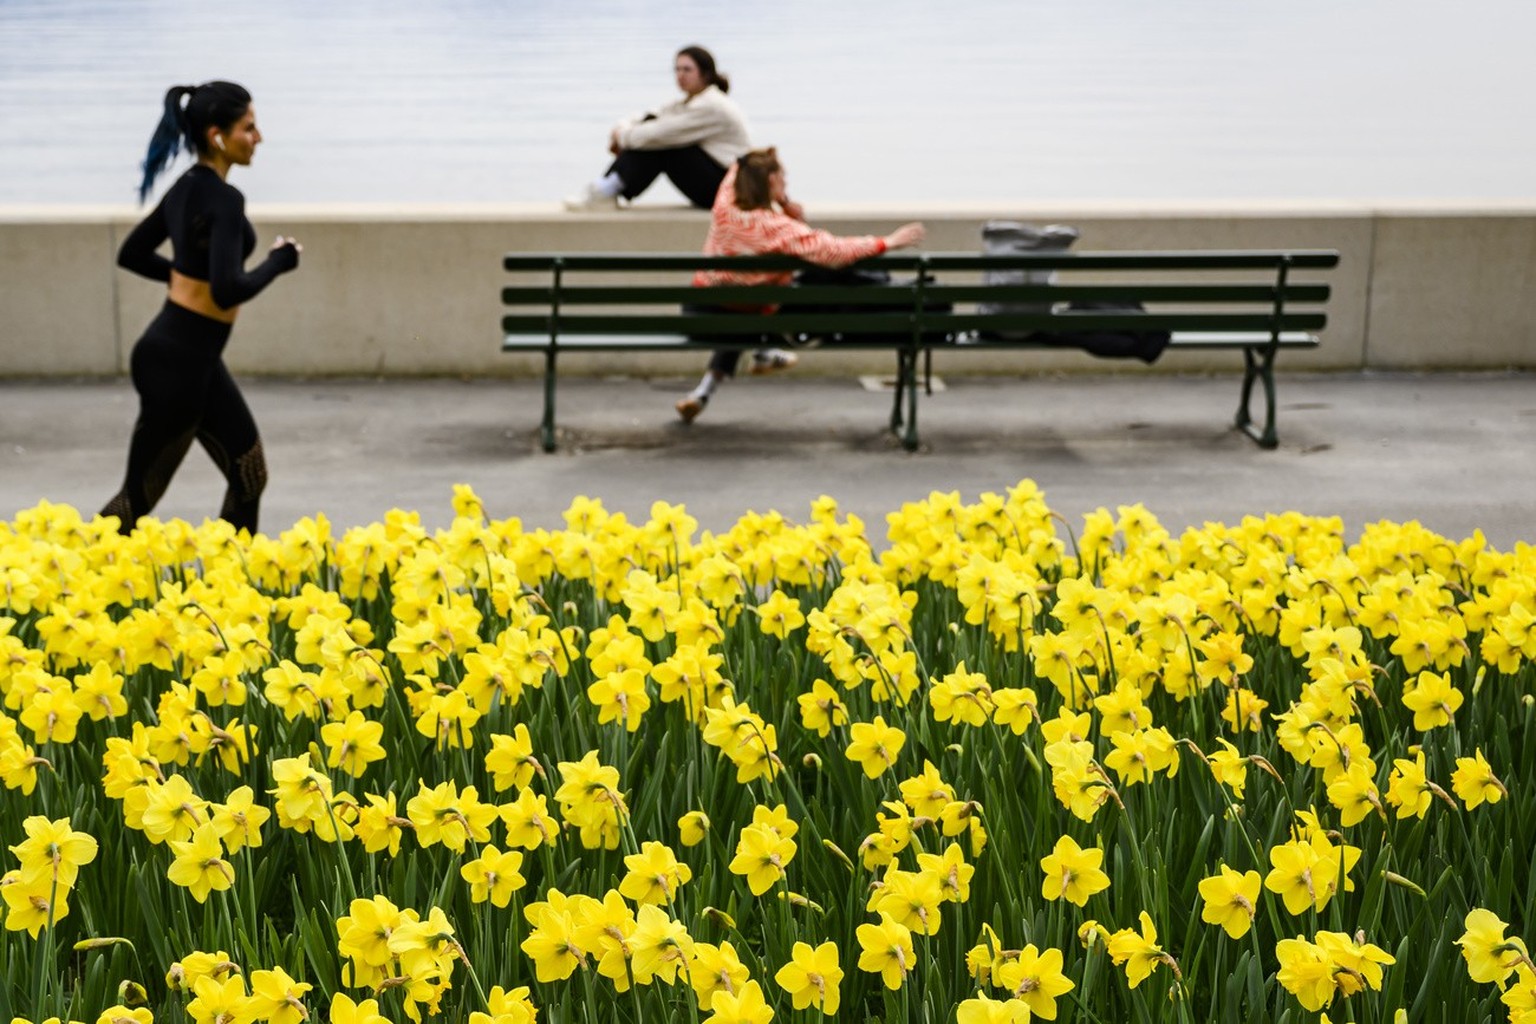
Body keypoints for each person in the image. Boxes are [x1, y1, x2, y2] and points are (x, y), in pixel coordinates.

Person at [100, 81, 301, 536]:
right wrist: (279, 261)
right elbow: (228, 290)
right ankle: (64, 581)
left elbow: (132, 253)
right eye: (249, 128)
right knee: (137, 498)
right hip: (178, 362)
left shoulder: (186, 187)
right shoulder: (225, 200)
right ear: (217, 135)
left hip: (190, 358)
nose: (258, 138)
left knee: (250, 474)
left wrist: (182, 278)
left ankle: (232, 587)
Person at [676, 147, 924, 422]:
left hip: (699, 314)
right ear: (771, 181)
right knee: (782, 292)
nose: (787, 182)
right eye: (783, 177)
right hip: (750, 321)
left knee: (740, 304)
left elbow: (738, 165)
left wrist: (766, 174)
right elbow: (834, 251)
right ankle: (763, 353)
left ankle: (707, 390)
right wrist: (887, 242)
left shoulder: (724, 208)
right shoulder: (777, 229)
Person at [565, 45, 751, 210]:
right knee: (653, 138)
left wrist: (622, 138)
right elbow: (646, 117)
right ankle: (605, 188)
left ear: (706, 74)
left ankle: (604, 191)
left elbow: (658, 134)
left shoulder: (712, 105)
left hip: (730, 191)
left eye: (687, 69)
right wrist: (620, 132)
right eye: (677, 69)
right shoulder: (689, 102)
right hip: (719, 185)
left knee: (664, 146)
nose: (680, 75)